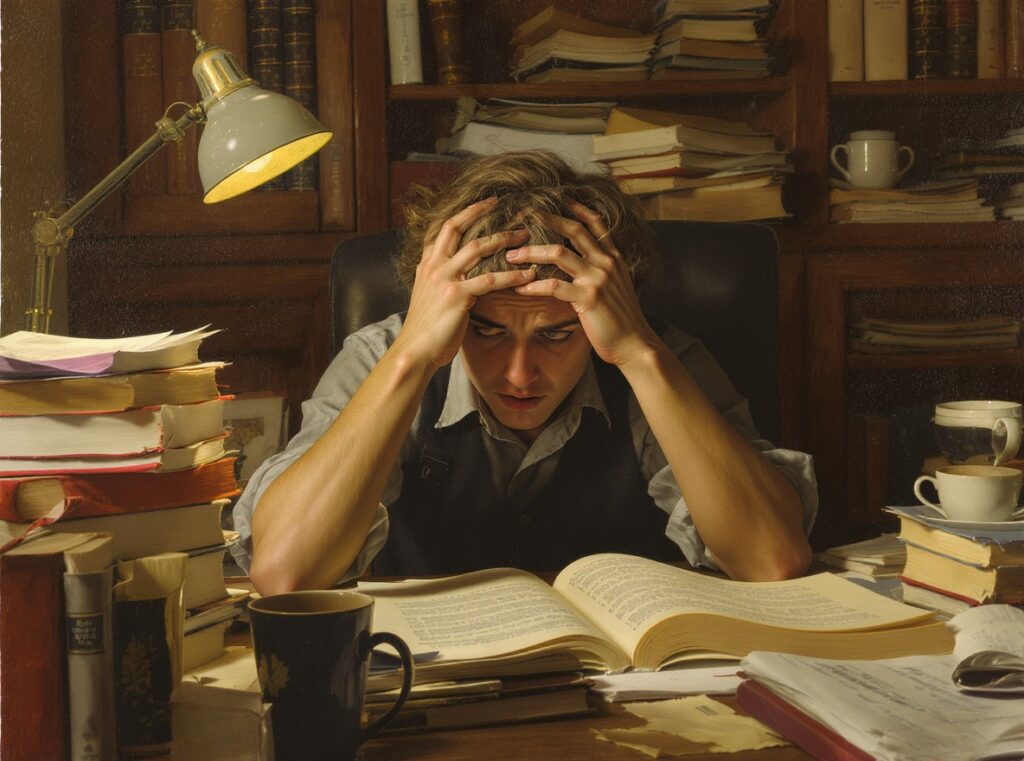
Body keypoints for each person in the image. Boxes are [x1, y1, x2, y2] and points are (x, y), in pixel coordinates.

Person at [232, 151, 817, 594]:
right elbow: (286, 572)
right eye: (486, 331)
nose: (518, 374)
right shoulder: (383, 355)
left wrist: (639, 356)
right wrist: (412, 356)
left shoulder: (659, 358)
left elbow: (770, 560)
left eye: (556, 335)